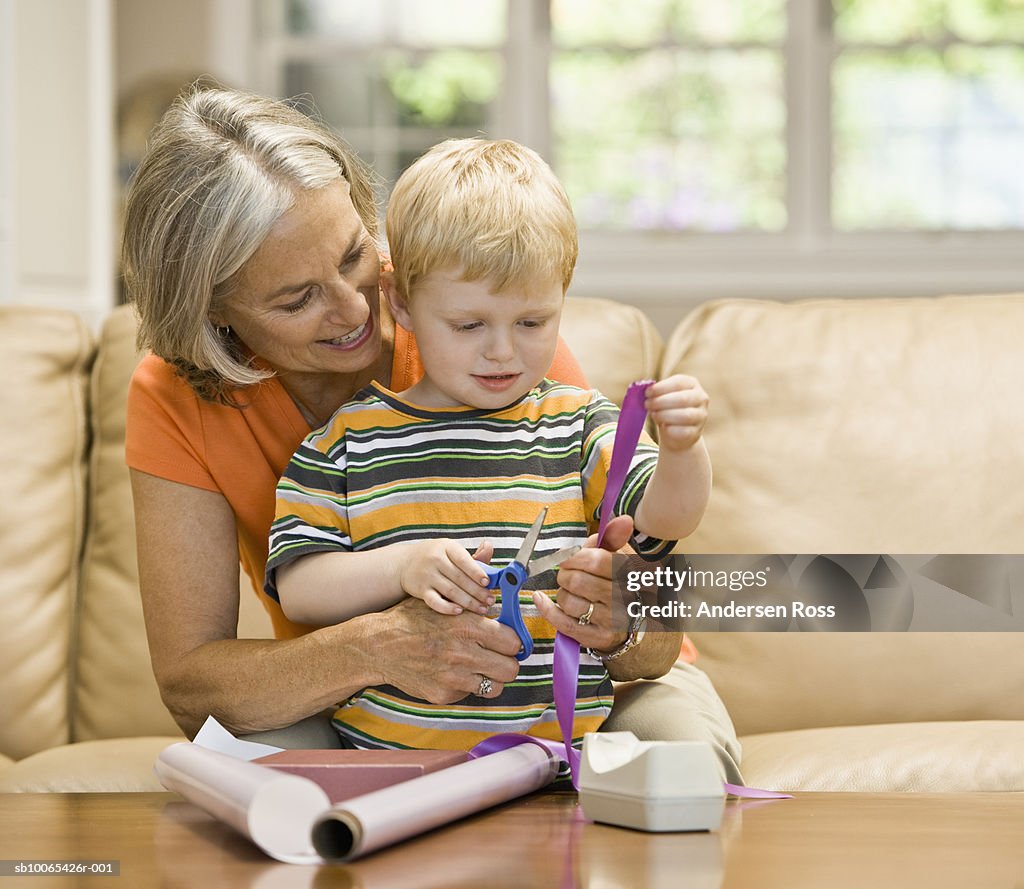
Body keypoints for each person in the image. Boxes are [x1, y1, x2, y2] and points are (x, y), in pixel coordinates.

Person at [121, 85, 742, 782]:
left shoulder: (477, 322)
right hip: (371, 702)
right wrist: (378, 645)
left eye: (356, 254)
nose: (354, 306)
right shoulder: (190, 402)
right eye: (297, 297)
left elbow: (652, 591)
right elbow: (192, 683)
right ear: (215, 313)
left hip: (589, 693)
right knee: (241, 779)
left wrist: (622, 619)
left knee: (677, 759)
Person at [265, 137, 711, 762]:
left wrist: (684, 449)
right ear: (401, 304)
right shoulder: (345, 443)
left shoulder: (579, 423)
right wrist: (402, 567)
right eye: (469, 325)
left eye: (532, 323)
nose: (503, 351)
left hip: (563, 762)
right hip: (395, 768)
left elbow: (668, 519)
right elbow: (301, 591)